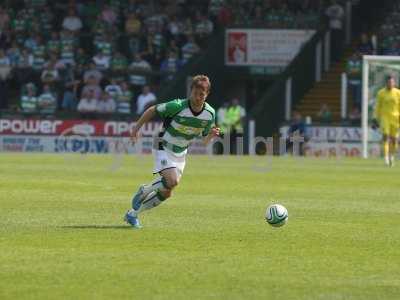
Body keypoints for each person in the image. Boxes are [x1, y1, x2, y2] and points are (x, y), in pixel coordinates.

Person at [124, 75, 220, 228]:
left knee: (167, 192)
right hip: (163, 144)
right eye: (195, 93)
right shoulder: (177, 105)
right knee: (172, 181)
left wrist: (211, 135)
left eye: (201, 94)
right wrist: (136, 129)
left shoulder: (209, 114)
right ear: (191, 92)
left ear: (207, 95)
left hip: (181, 152)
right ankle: (145, 190)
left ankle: (132, 214)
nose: (197, 97)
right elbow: (152, 109)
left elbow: (204, 141)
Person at [374, 76, 400, 166]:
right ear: (386, 83)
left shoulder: (398, 93)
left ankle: (391, 157)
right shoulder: (381, 93)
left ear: (394, 83)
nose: (390, 84)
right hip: (385, 118)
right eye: (389, 82)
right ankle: (386, 158)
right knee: (385, 137)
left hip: (396, 119)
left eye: (392, 82)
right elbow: (378, 106)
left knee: (394, 140)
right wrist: (375, 118)